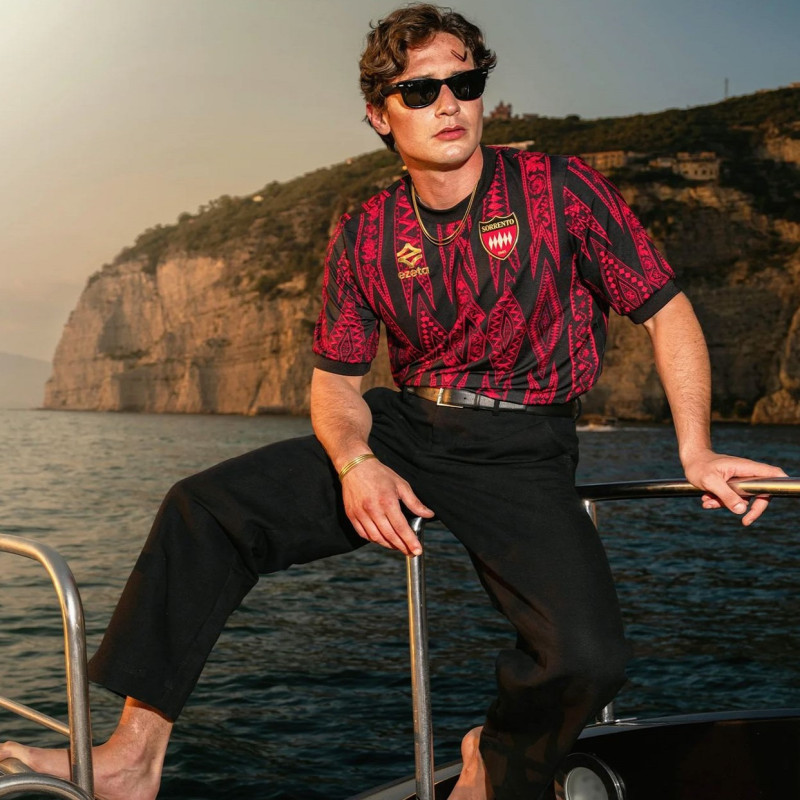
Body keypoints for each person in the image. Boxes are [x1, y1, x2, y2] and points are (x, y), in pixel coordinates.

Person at [1, 4, 787, 800]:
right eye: (419, 91)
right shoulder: (365, 232)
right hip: (407, 426)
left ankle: (496, 755)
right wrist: (355, 462)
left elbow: (665, 310)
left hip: (523, 446)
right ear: (381, 114)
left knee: (588, 658)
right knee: (203, 510)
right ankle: (131, 759)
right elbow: (336, 382)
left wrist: (694, 447)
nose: (448, 104)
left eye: (464, 84)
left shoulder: (561, 189)